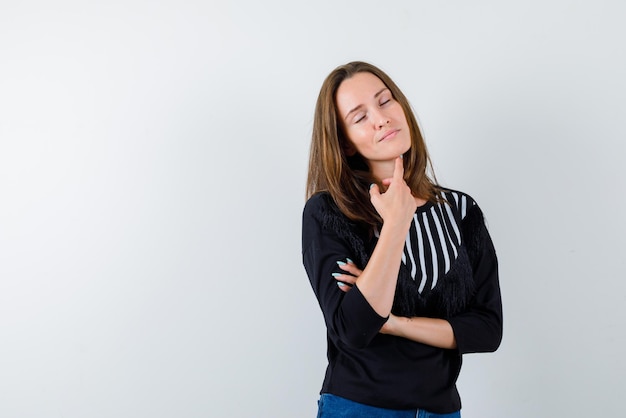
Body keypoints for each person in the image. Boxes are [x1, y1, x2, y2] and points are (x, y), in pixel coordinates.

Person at [301, 61, 503, 418]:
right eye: (359, 117)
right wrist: (396, 223)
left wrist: (395, 323)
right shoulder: (328, 212)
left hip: (441, 410)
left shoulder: (460, 210)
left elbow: (487, 330)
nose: (381, 118)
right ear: (345, 143)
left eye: (385, 101)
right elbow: (354, 329)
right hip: (359, 408)